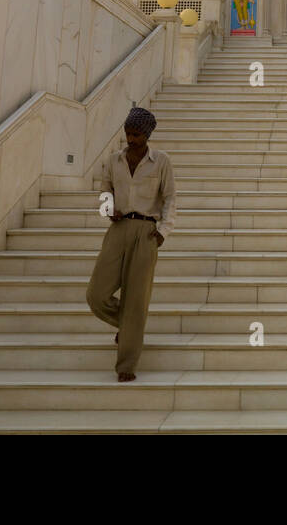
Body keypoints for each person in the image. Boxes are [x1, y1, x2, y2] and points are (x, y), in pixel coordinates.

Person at [86, 106, 175, 382]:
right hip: (118, 229)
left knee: (136, 300)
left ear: (147, 135)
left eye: (136, 134)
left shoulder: (161, 162)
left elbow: (170, 198)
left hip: (147, 232)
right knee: (96, 294)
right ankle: (127, 328)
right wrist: (107, 209)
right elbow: (105, 190)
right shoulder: (114, 160)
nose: (131, 139)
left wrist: (163, 232)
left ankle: (126, 365)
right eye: (128, 133)